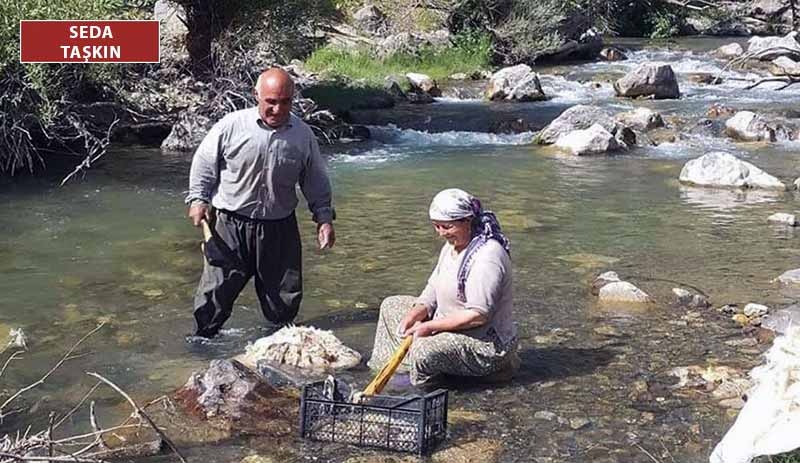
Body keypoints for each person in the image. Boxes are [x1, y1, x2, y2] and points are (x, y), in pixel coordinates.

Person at [185, 68, 335, 339]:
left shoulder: (302, 135)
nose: (278, 109)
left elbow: (315, 179)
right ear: (257, 96)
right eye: (271, 102)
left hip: (279, 228)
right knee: (215, 293)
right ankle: (200, 348)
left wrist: (323, 218)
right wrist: (199, 199)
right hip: (230, 225)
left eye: (285, 102)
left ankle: (277, 349)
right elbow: (204, 164)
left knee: (284, 300)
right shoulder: (231, 126)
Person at [371, 188, 519, 386]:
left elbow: (478, 315)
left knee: (425, 350)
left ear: (466, 221)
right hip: (447, 322)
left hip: (484, 343)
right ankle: (388, 373)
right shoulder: (452, 246)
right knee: (391, 305)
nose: (440, 233)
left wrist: (429, 326)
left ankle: (417, 388)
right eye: (436, 226)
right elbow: (433, 287)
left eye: (446, 227)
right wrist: (417, 312)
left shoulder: (487, 257)